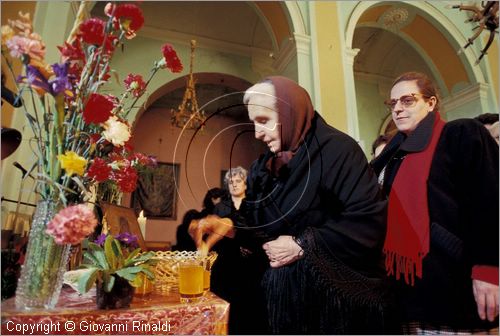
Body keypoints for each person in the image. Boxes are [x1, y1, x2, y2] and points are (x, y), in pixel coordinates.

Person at [191, 76, 394, 334]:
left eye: (263, 121)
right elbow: (257, 224)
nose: (257, 133)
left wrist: (302, 245)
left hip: (335, 308)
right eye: (254, 123)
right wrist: (228, 224)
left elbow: (369, 220)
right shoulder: (264, 166)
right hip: (283, 303)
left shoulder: (338, 151)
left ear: (289, 111)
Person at [371, 72, 499, 333]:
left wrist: (489, 269)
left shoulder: (461, 133)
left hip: (455, 283)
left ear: (431, 103)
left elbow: (489, 202)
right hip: (406, 289)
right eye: (392, 103)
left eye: (407, 100)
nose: (397, 108)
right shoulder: (393, 156)